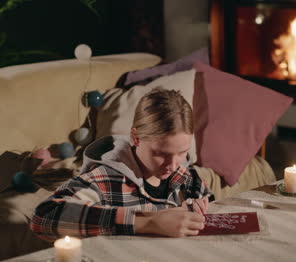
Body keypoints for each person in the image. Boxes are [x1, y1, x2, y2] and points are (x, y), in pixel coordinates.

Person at [30, 88, 212, 241]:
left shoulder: (183, 172)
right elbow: (44, 216)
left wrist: (199, 203)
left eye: (181, 152)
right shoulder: (105, 178)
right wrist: (147, 222)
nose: (172, 165)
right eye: (160, 154)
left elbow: (204, 195)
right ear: (135, 137)